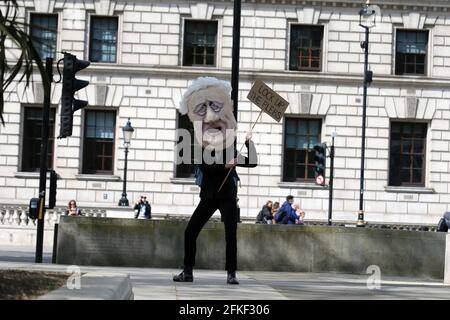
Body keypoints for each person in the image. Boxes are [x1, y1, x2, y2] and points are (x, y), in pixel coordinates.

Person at [173, 77, 258, 285]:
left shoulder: (229, 144)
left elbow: (252, 161)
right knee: (190, 231)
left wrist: (249, 143)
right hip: (209, 197)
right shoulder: (200, 147)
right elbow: (207, 167)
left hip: (228, 196)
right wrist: (226, 166)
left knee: (231, 235)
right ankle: (188, 270)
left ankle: (231, 274)